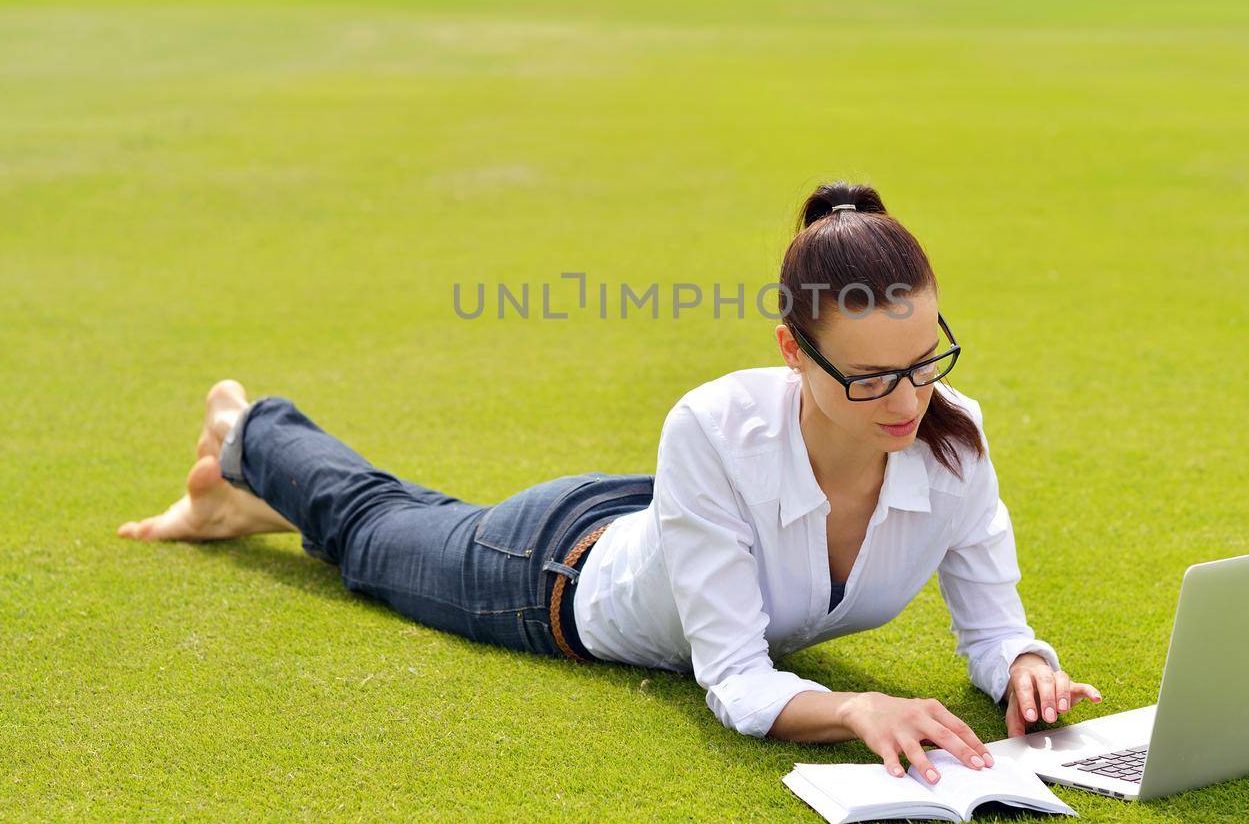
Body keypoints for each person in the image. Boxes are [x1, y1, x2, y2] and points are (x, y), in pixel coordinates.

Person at [117, 181, 1102, 784]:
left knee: (393, 528)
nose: (908, 399)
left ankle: (234, 502)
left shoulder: (953, 437)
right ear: (792, 354)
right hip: (559, 572)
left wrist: (1022, 668)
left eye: (928, 360)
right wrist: (856, 710)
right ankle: (250, 434)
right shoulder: (712, 425)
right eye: (873, 376)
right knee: (379, 537)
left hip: (677, 527)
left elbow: (992, 626)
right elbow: (735, 680)